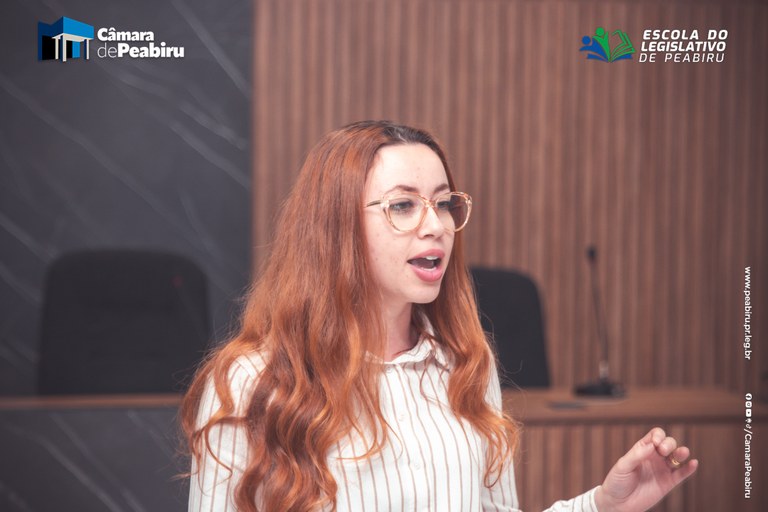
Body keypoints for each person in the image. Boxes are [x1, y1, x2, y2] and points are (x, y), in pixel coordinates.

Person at [181, 120, 698, 512]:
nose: (436, 226)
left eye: (444, 203)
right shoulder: (251, 379)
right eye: (403, 206)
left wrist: (603, 505)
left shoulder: (466, 365)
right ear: (336, 228)